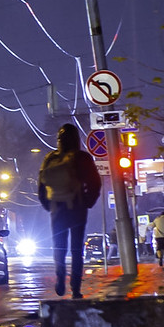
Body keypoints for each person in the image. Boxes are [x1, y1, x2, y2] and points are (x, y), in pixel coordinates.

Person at [37, 123, 102, 299]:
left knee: (59, 247)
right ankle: (75, 287)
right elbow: (95, 183)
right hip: (77, 206)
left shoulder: (50, 158)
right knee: (76, 249)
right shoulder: (83, 158)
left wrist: (47, 204)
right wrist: (88, 201)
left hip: (56, 208)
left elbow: (41, 185)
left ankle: (60, 277)